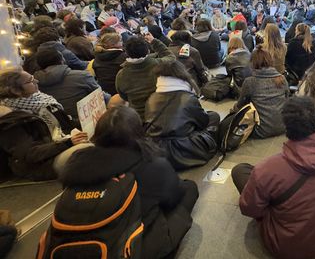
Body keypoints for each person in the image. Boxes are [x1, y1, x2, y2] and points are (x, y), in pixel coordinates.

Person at [59, 106, 198, 259]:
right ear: (138, 132)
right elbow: (172, 198)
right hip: (126, 247)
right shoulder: (152, 162)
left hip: (68, 246)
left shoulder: (77, 165)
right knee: (189, 188)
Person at [231, 96, 315, 259]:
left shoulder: (268, 169)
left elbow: (249, 209)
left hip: (286, 247)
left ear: (286, 127)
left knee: (240, 171)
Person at [0, 71, 90, 180]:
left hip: (60, 146)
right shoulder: (10, 119)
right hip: (41, 164)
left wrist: (89, 121)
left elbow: (66, 124)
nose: (36, 81)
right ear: (15, 90)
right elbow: (29, 154)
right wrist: (68, 143)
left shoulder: (41, 101)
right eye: (30, 81)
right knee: (87, 151)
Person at [144, 61, 218, 170]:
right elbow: (203, 122)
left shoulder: (151, 98)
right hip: (184, 149)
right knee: (214, 116)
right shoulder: (187, 97)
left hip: (156, 150)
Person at [34, 48, 105, 123]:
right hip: (84, 122)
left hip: (52, 125)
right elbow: (101, 96)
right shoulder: (82, 76)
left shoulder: (33, 82)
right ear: (62, 60)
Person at [233, 46, 288, 138]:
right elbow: (287, 99)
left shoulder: (250, 82)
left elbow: (240, 105)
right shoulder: (282, 79)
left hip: (260, 131)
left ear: (252, 63)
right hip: (283, 127)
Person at [116, 34, 175, 118]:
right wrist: (154, 41)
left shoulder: (121, 75)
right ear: (148, 51)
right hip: (162, 113)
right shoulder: (158, 64)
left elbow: (124, 96)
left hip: (138, 117)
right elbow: (171, 57)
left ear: (127, 53)